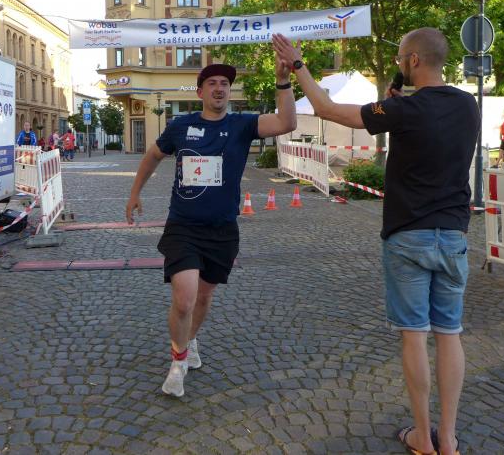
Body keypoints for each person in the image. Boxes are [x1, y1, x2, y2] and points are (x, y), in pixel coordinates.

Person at [273, 28, 477, 455]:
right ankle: (448, 438)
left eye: (401, 57)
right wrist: (395, 109)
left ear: (414, 61)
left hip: (409, 234)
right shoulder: (466, 104)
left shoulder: (402, 110)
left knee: (414, 335)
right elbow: (431, 134)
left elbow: (327, 108)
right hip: (453, 233)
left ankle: (421, 436)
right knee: (449, 334)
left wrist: (297, 63)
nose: (399, 63)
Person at [125, 61, 297, 398]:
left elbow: (287, 122)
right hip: (183, 225)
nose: (219, 88)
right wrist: (135, 193)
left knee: (203, 297)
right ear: (200, 91)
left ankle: (189, 340)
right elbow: (153, 156)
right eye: (213, 83)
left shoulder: (242, 125)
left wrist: (282, 81)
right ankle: (178, 363)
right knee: (184, 298)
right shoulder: (181, 126)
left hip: (222, 229)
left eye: (224, 84)